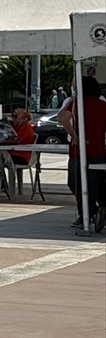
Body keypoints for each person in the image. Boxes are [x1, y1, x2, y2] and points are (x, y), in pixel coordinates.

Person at [59, 77, 106, 230]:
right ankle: (98, 208)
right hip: (98, 150)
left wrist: (74, 136)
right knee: (95, 184)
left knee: (76, 183)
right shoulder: (103, 105)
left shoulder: (76, 104)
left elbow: (62, 118)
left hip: (78, 151)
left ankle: (89, 212)